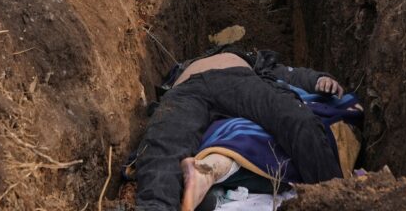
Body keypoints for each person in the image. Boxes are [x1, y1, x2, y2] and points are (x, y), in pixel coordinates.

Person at [133, 47, 345, 211]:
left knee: (297, 119)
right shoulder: (182, 68)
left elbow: (291, 74)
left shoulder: (253, 60)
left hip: (235, 80)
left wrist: (319, 79)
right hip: (187, 90)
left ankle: (334, 199)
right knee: (162, 143)